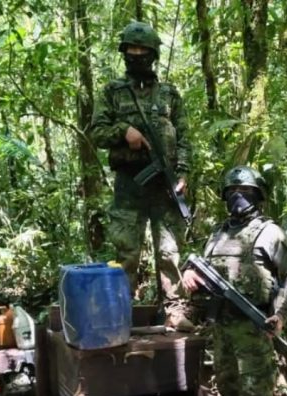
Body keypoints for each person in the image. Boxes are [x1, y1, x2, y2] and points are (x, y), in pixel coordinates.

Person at [181, 166, 287, 396]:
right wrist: (189, 275)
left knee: (258, 393)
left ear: (258, 195)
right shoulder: (218, 234)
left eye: (246, 191)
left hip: (253, 325)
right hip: (220, 326)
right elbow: (201, 270)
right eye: (232, 192)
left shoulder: (270, 233)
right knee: (227, 389)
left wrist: (281, 314)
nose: (238, 196)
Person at [89, 20, 190, 313]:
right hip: (129, 185)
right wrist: (124, 131)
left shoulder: (169, 94)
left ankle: (174, 311)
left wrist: (182, 171)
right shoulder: (112, 91)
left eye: (142, 49)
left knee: (169, 252)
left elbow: (184, 136)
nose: (136, 54)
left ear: (152, 53)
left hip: (165, 186)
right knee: (127, 253)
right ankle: (119, 313)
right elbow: (97, 133)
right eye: (130, 49)